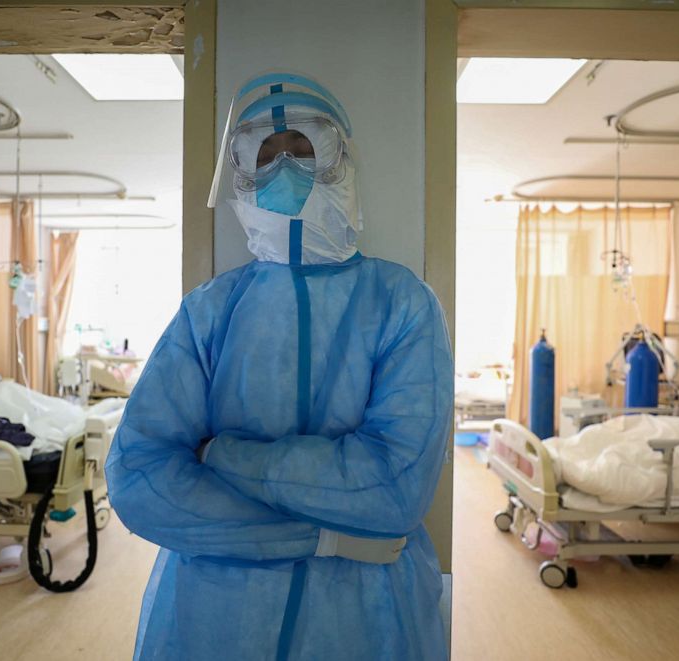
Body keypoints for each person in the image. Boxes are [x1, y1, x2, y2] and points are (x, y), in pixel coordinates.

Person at [106, 72, 452, 661]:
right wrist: (325, 538)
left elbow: (394, 487)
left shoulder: (401, 301)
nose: (285, 169)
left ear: (339, 159)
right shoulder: (211, 310)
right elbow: (140, 480)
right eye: (267, 155)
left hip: (365, 619)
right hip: (215, 621)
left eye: (302, 149)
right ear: (241, 171)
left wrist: (219, 456)